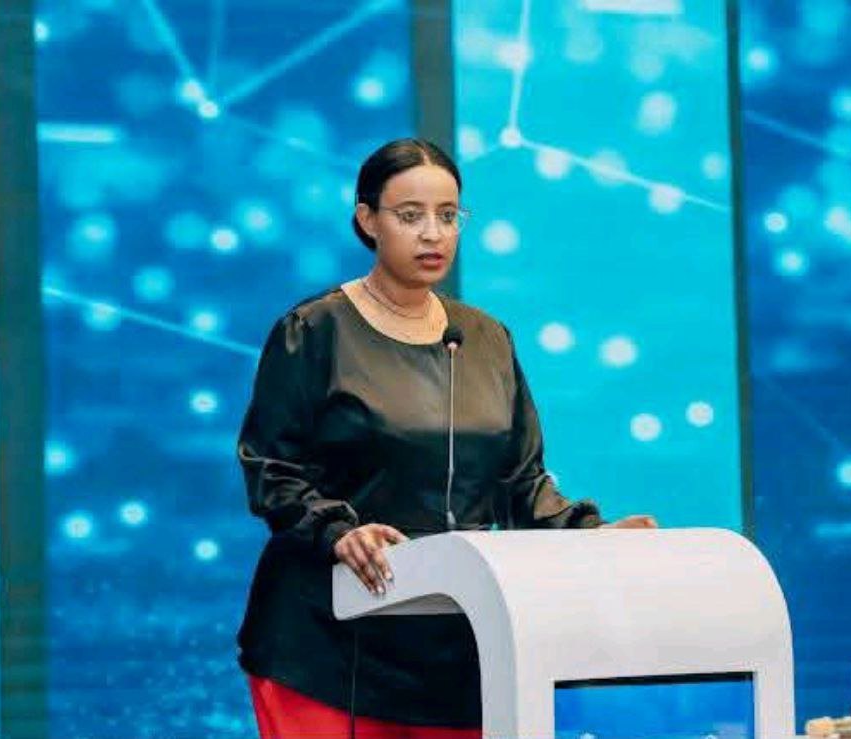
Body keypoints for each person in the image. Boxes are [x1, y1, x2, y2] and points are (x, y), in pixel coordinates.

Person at [235, 138, 657, 738]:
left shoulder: (485, 339)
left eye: (448, 215)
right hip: (326, 644)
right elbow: (272, 469)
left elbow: (520, 483)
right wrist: (338, 531)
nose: (432, 233)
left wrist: (593, 537)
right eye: (410, 216)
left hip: (454, 646)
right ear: (368, 220)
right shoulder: (314, 331)